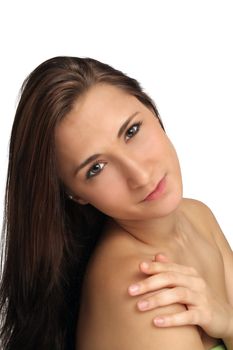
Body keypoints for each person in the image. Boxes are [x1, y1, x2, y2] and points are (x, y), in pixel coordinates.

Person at [0, 56, 232, 350]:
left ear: (150, 109)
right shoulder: (142, 291)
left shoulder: (198, 216)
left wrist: (229, 322)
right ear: (75, 195)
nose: (140, 174)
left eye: (132, 131)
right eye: (96, 168)